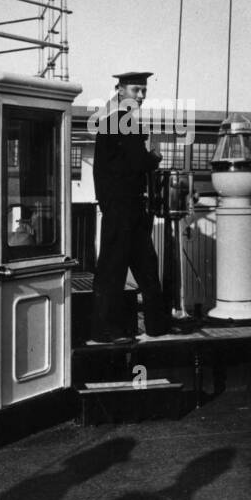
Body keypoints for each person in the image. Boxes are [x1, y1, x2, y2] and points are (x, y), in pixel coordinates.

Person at [89, 70, 174, 343]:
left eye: (144, 90)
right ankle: (124, 328)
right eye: (135, 90)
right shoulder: (121, 121)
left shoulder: (113, 120)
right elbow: (139, 162)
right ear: (120, 90)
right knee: (121, 268)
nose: (141, 95)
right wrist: (155, 157)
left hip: (124, 208)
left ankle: (151, 326)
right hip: (123, 209)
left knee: (140, 265)